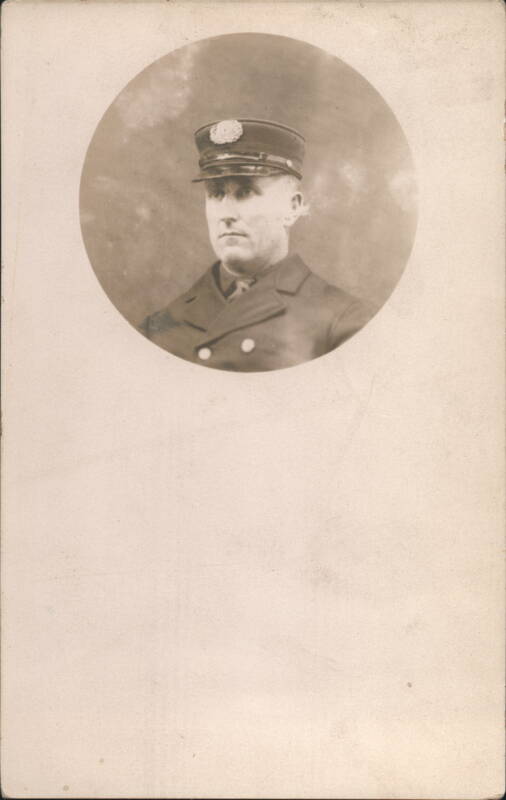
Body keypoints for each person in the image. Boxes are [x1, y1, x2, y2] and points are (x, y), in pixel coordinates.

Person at [140, 118, 372, 372]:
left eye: (245, 193)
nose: (226, 213)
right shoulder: (158, 327)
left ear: (291, 208)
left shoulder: (345, 322)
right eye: (216, 194)